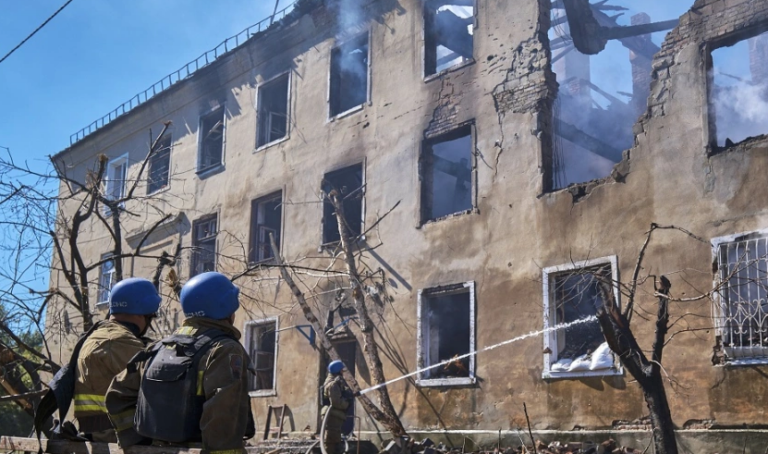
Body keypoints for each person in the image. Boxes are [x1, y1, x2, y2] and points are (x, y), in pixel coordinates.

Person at [106, 271, 254, 454]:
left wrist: (137, 442)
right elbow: (223, 413)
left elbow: (117, 394)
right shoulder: (224, 349)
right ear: (227, 310)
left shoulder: (158, 348)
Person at [74, 277, 161, 442]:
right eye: (150, 316)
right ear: (141, 314)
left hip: (100, 434)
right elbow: (156, 388)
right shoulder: (119, 341)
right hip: (118, 435)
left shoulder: (96, 336)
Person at [321, 360, 353, 454]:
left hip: (334, 415)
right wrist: (346, 402)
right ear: (338, 371)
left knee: (335, 440)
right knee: (331, 441)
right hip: (332, 415)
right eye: (342, 370)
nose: (343, 372)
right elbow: (336, 402)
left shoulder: (335, 382)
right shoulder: (333, 384)